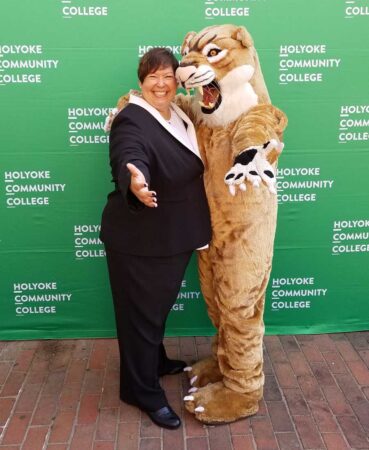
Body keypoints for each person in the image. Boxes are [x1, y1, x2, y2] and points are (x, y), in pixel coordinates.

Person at [100, 48, 211, 430]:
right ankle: (140, 390)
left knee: (154, 311)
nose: (161, 83)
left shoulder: (177, 112)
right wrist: (135, 181)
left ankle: (156, 362)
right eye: (153, 77)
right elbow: (130, 153)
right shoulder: (131, 119)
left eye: (168, 76)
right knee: (140, 317)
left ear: (178, 79)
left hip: (173, 234)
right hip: (140, 239)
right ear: (141, 81)